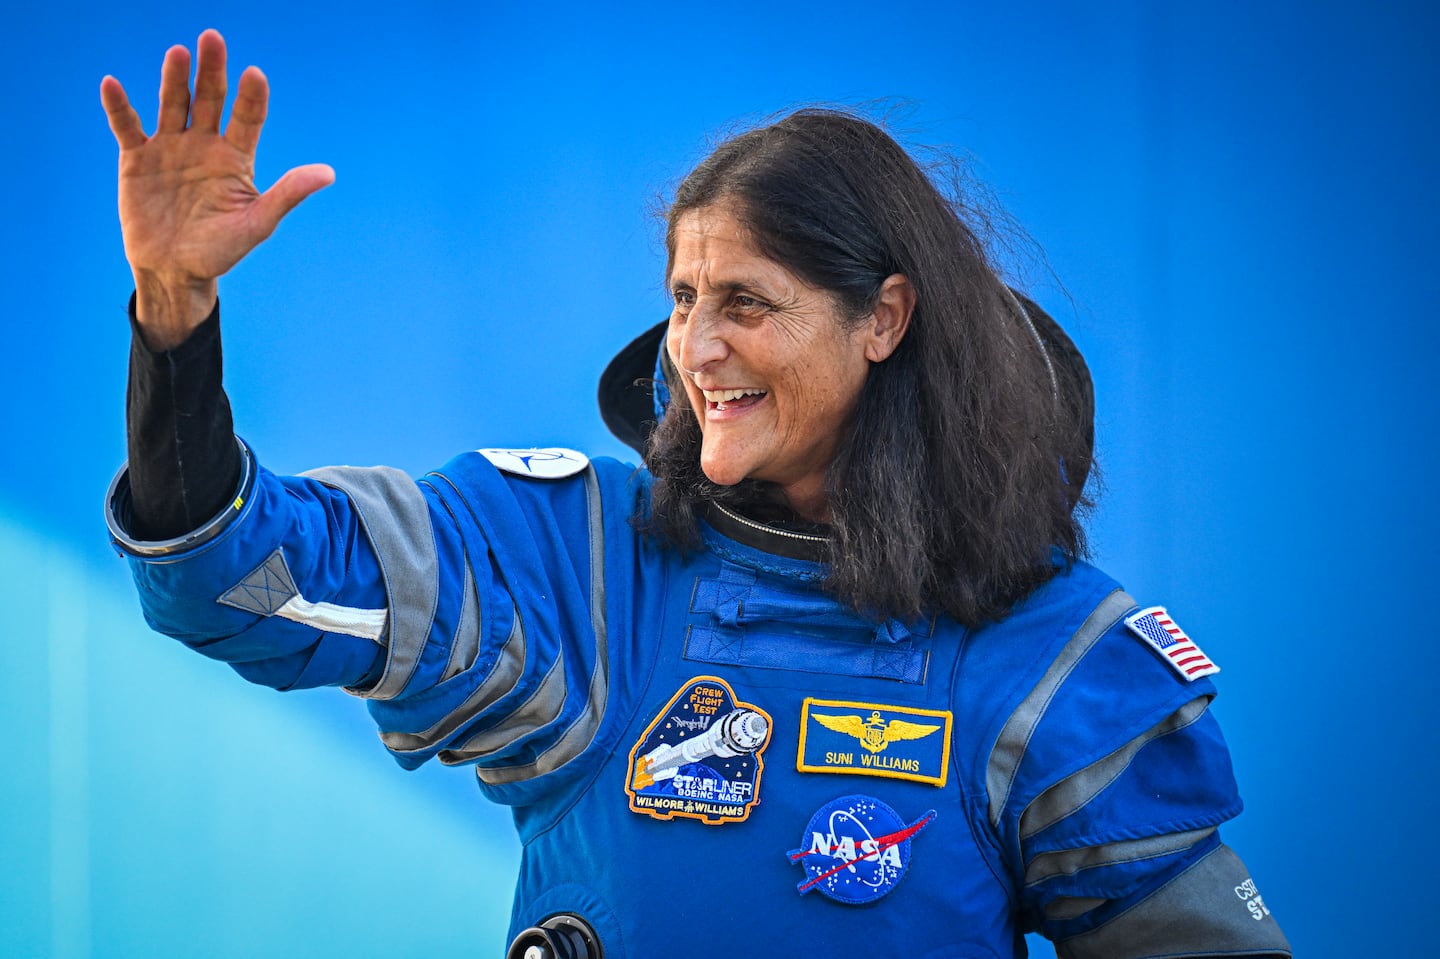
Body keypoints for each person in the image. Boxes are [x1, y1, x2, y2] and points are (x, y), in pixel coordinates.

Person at [101, 30, 1290, 959]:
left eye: (746, 303)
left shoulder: (1059, 653)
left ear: (883, 318)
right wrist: (174, 319)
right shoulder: (576, 566)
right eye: (682, 298)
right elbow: (243, 579)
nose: (695, 349)